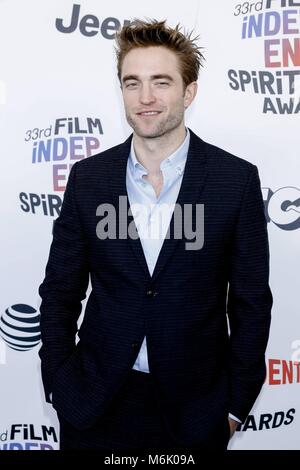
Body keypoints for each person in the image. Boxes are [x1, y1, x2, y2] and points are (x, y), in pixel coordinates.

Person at [39, 19, 272, 451]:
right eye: (133, 83)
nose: (145, 98)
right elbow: (60, 291)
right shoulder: (88, 179)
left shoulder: (233, 181)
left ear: (188, 91)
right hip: (95, 405)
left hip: (196, 411)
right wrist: (58, 382)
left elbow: (251, 304)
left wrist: (235, 406)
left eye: (161, 82)